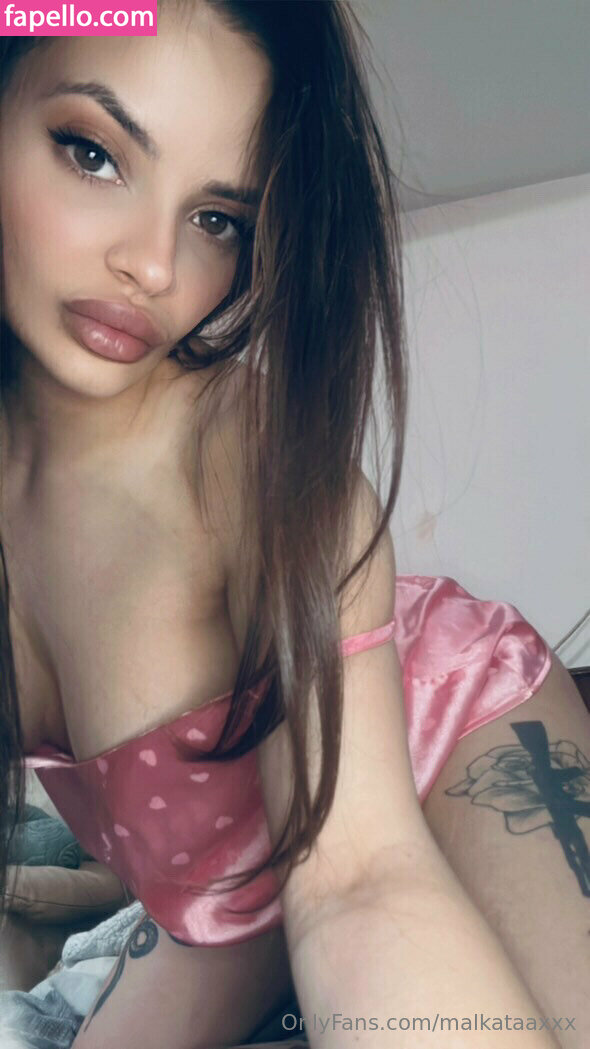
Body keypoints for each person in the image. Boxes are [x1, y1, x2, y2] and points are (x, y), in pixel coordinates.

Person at [0, 3, 588, 1048]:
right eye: (93, 154)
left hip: (446, 732)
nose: (154, 265)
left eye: (217, 219)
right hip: (225, 902)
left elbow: (361, 878)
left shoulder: (251, 461)